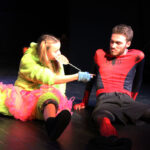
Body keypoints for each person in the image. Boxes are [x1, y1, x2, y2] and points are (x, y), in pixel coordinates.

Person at [0, 34, 92, 141]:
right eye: (56, 50)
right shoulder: (28, 60)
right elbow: (50, 78)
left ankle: (51, 124)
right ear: (45, 51)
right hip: (25, 95)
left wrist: (60, 98)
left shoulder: (56, 60)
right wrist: (77, 76)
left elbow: (60, 84)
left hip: (43, 98)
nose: (59, 53)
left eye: (59, 49)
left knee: (49, 98)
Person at [74, 24, 150, 138]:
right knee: (101, 116)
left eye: (118, 43)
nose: (113, 46)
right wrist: (84, 102)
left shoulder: (137, 56)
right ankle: (110, 138)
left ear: (128, 44)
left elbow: (138, 80)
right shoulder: (99, 54)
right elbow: (91, 79)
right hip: (105, 99)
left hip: (126, 99)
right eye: (111, 42)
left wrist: (131, 100)